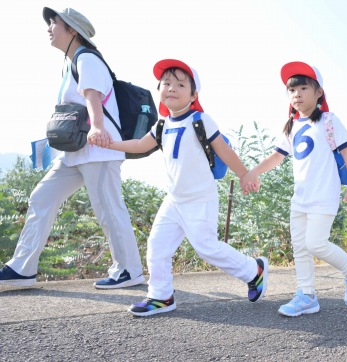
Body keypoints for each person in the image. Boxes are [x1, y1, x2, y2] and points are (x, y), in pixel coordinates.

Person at [96, 59, 268, 316]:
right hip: (174, 200)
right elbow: (140, 145)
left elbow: (224, 151)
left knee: (207, 247)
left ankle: (254, 270)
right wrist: (109, 144)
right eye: (166, 83)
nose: (172, 88)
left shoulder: (201, 120)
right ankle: (161, 296)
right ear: (159, 90)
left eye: (180, 84)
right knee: (157, 246)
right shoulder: (162, 125)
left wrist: (245, 175)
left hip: (200, 198)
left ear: (193, 95)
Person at [0, 7, 144, 289]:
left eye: (54, 22)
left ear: (72, 30)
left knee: (108, 209)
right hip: (75, 152)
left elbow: (93, 96)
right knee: (42, 197)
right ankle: (22, 269)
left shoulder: (87, 58)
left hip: (98, 149)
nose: (49, 28)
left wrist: (98, 127)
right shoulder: (71, 63)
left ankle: (129, 270)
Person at [241, 61, 347, 317]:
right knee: (300, 247)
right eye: (292, 90)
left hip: (324, 195)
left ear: (319, 92)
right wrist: (254, 171)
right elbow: (277, 156)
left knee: (316, 244)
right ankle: (306, 295)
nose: (296, 94)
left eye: (303, 88)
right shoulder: (292, 126)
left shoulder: (329, 121)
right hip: (300, 198)